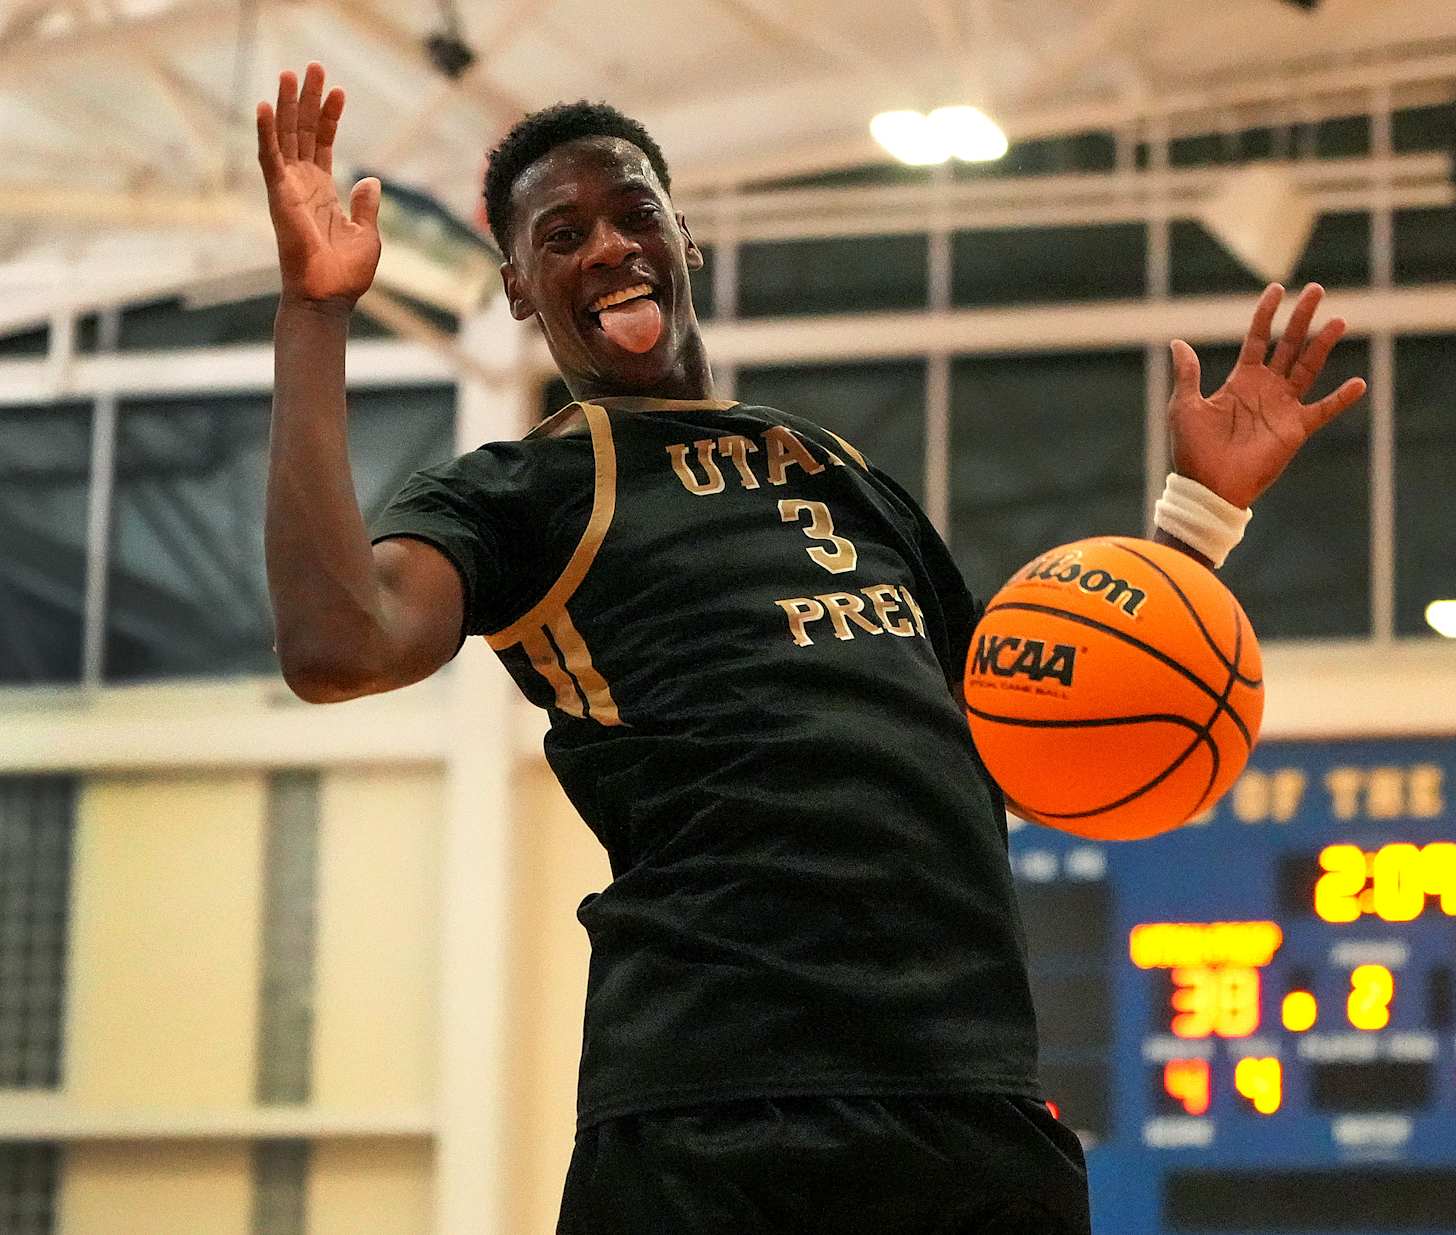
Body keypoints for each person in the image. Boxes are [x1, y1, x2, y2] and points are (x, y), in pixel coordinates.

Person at [254, 61, 1365, 1234]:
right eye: (562, 233)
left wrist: (1196, 521)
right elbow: (339, 642)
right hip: (717, 1109)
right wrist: (314, 312)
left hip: (968, 1101)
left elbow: (1035, 726)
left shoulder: (843, 474)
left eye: (636, 213)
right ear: (522, 291)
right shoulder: (524, 488)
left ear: (686, 240)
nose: (608, 247)